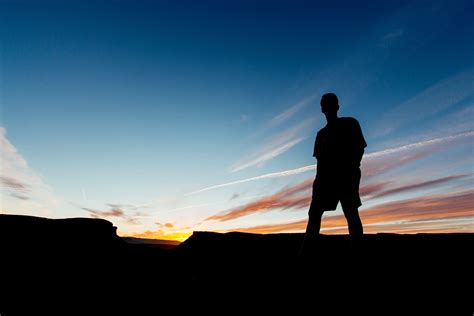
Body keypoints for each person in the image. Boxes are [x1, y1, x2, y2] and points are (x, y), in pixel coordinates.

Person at [300, 93, 367, 255]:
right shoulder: (321, 135)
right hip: (324, 181)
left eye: (329, 103)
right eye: (324, 103)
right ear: (322, 108)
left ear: (337, 106)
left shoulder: (350, 123)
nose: (326, 106)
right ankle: (306, 251)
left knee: (351, 213)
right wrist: (317, 184)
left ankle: (358, 251)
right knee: (314, 214)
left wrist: (351, 169)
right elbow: (320, 162)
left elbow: (359, 148)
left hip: (346, 177)